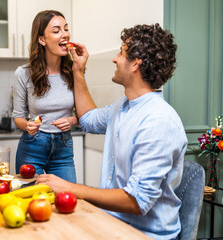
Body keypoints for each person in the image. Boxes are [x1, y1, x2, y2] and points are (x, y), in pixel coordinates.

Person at [36, 23, 188, 239]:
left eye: (121, 52)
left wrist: (70, 188)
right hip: (111, 223)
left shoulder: (159, 120)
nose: (115, 58)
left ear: (135, 63)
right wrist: (78, 70)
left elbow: (137, 200)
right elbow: (88, 119)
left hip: (144, 234)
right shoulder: (123, 107)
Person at [12, 10, 78, 183]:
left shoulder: (74, 71)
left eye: (66, 29)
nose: (65, 35)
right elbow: (17, 117)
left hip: (63, 150)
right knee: (32, 203)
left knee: (68, 201)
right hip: (32, 147)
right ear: (42, 39)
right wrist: (27, 125)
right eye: (56, 31)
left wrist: (72, 121)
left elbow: (84, 114)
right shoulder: (24, 73)